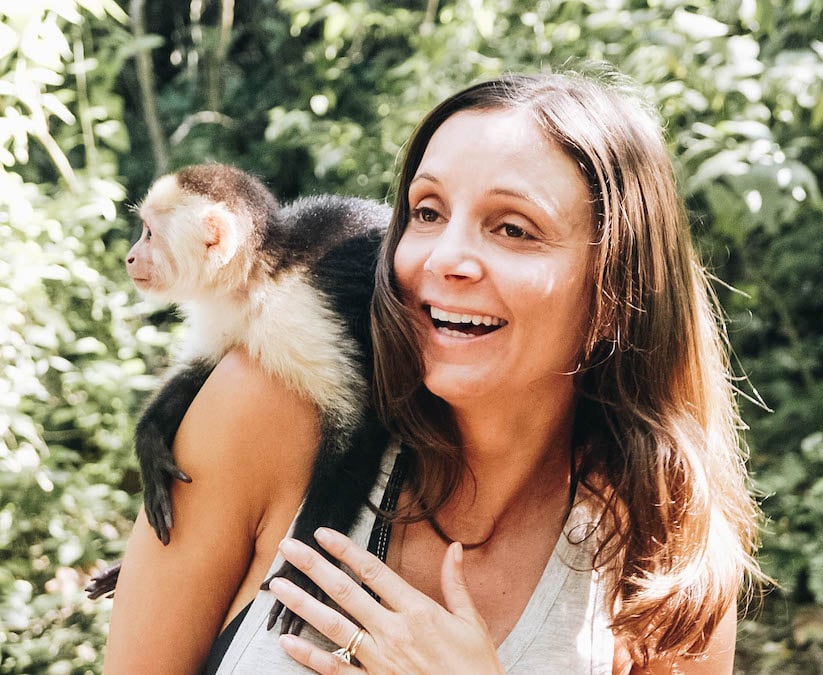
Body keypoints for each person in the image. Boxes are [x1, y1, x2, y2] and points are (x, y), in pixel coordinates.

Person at [103, 67, 761, 674]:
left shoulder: (661, 542)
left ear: (616, 296)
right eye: (427, 212)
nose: (445, 257)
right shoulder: (269, 406)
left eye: (512, 228)